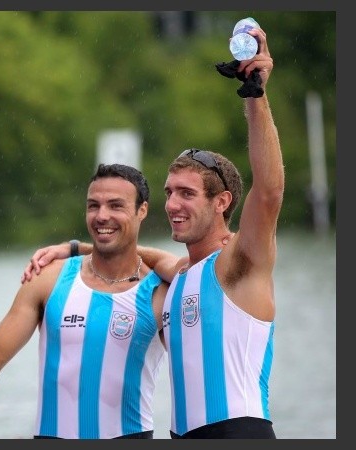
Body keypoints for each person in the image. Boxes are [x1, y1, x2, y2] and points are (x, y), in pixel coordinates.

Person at [20, 26, 281, 439]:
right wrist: (72, 247)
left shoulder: (239, 264)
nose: (172, 204)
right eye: (169, 193)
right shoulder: (178, 274)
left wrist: (256, 97)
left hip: (239, 432)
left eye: (187, 194)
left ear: (223, 202)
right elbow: (135, 252)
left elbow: (268, 192)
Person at [0, 163, 170, 439]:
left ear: (141, 210)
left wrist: (73, 246)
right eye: (93, 205)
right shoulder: (48, 279)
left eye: (115, 206)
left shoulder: (161, 292)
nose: (101, 216)